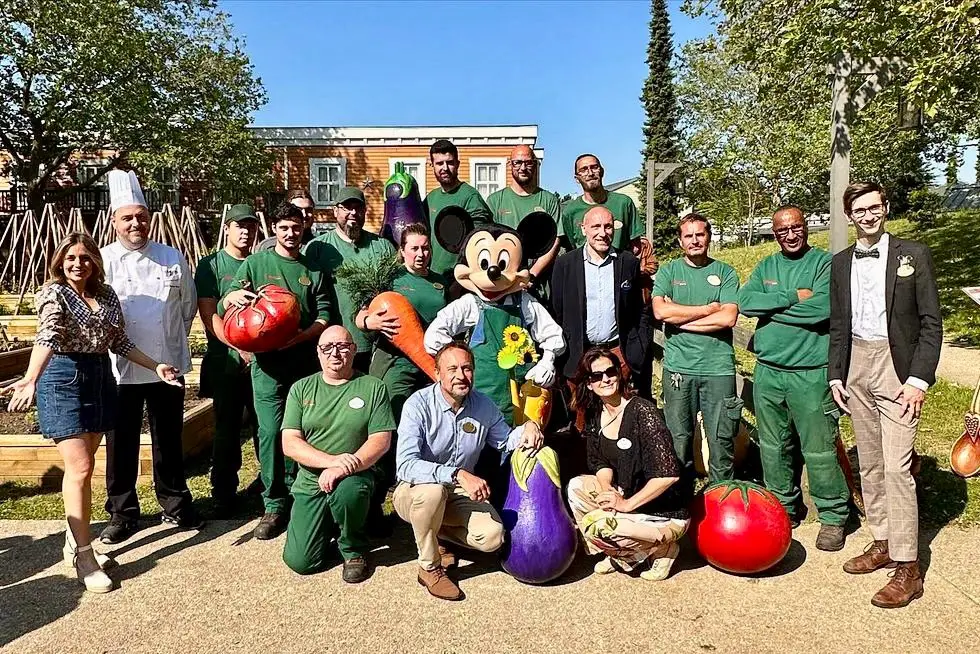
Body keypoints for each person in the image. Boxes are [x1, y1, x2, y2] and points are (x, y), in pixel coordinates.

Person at [4, 233, 182, 592]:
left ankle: (74, 541)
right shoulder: (53, 293)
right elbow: (48, 335)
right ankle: (85, 555)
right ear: (59, 261)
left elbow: (119, 341)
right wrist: (30, 379)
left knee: (85, 472)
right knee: (80, 468)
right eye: (70, 258)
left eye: (85, 257)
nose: (77, 263)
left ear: (95, 262)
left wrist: (156, 366)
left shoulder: (105, 294)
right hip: (63, 379)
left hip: (101, 378)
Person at [829, 181, 941, 609]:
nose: (869, 215)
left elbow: (931, 323)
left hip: (898, 369)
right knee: (871, 463)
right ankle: (882, 540)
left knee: (897, 468)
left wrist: (919, 379)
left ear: (886, 208)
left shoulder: (913, 255)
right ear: (849, 215)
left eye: (875, 207)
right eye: (860, 210)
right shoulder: (840, 263)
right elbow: (839, 325)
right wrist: (836, 375)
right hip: (856, 363)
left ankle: (908, 567)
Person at [394, 341, 544, 601]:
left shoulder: (483, 405)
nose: (461, 376)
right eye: (452, 369)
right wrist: (457, 474)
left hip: (456, 494)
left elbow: (504, 440)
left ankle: (437, 533)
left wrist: (529, 427)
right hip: (414, 491)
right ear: (438, 372)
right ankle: (429, 567)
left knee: (492, 538)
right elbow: (405, 465)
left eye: (467, 368)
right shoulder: (417, 405)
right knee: (432, 493)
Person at [738, 206, 851, 548]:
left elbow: (824, 308)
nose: (790, 234)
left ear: (807, 227)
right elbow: (745, 301)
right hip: (770, 372)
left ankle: (833, 516)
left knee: (818, 448)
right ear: (774, 233)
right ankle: (784, 506)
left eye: (796, 227)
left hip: (810, 373)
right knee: (773, 446)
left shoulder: (822, 263)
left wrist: (771, 310)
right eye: (782, 229)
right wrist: (789, 298)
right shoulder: (768, 265)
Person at [99, 169, 201, 544]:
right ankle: (122, 512)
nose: (135, 223)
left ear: (149, 218)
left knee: (169, 438)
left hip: (167, 364)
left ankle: (175, 504)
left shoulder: (172, 257)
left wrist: (172, 342)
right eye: (127, 218)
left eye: (140, 216)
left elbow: (187, 306)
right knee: (120, 441)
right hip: (120, 368)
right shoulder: (103, 261)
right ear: (114, 222)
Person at [223, 202, 331, 540]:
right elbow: (230, 299)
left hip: (303, 364)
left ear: (304, 227)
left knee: (305, 430)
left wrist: (298, 336)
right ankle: (273, 503)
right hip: (267, 366)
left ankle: (304, 495)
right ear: (275, 228)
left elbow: (324, 316)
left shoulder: (313, 268)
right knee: (270, 433)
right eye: (284, 227)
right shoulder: (256, 263)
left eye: (295, 227)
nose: (290, 233)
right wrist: (234, 297)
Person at [281, 326, 395, 583]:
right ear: (318, 353)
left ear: (354, 350)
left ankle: (354, 548)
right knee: (301, 562)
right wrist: (331, 462)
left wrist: (343, 469)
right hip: (312, 481)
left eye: (343, 346)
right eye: (327, 348)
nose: (336, 353)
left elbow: (380, 441)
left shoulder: (372, 387)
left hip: (355, 475)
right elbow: (290, 443)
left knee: (350, 492)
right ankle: (330, 526)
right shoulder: (301, 389)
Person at [566, 347, 690, 581]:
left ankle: (664, 550)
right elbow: (600, 462)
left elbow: (669, 475)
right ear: (589, 384)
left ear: (619, 374)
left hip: (664, 513)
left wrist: (626, 504)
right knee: (576, 487)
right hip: (628, 498)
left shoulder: (643, 411)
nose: (605, 378)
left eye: (610, 371)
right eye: (596, 376)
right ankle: (623, 553)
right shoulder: (596, 413)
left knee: (601, 527)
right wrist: (606, 489)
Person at [652, 213, 740, 482]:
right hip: (679, 368)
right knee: (678, 439)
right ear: (680, 241)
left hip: (718, 369)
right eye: (688, 236)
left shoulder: (725, 272)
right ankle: (680, 500)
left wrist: (681, 319)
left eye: (699, 234)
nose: (694, 240)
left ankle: (720, 498)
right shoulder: (670, 271)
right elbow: (659, 311)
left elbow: (728, 318)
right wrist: (706, 310)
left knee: (721, 439)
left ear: (709, 236)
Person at [551, 206, 653, 412]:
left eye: (607, 227)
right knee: (581, 416)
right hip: (580, 352)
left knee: (617, 413)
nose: (602, 233)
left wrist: (637, 347)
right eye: (596, 226)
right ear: (583, 229)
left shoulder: (628, 263)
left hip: (617, 351)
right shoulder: (565, 264)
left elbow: (639, 309)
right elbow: (557, 310)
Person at [195, 203, 260, 513]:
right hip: (226, 361)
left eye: (250, 225)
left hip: (262, 362)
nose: (245, 231)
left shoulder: (262, 263)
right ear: (227, 229)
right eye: (239, 226)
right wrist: (239, 348)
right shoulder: (211, 266)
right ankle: (223, 491)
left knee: (265, 427)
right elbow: (209, 316)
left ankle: (268, 486)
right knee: (227, 428)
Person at [305, 186, 395, 373]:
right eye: (347, 207)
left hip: (377, 346)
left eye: (358, 207)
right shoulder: (318, 248)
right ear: (335, 210)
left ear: (365, 211)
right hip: (333, 349)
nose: (353, 212)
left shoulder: (382, 247)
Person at [486, 145, 561, 300]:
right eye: (517, 163)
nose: (523, 167)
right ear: (510, 165)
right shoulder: (495, 201)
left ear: (535, 164)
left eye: (528, 163)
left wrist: (531, 275)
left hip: (538, 285)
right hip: (503, 283)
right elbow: (489, 242)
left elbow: (555, 242)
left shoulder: (549, 200)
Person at [422, 139, 493, 277]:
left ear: (457, 164)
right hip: (433, 275)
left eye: (450, 163)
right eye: (439, 163)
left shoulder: (470, 196)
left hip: (461, 278)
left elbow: (480, 240)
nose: (445, 168)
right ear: (432, 166)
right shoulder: (431, 198)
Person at [558, 154, 644, 253]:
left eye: (594, 167)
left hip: (619, 266)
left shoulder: (623, 203)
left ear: (602, 171)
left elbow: (636, 247)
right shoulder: (570, 211)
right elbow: (570, 249)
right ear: (577, 178)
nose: (590, 173)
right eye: (584, 170)